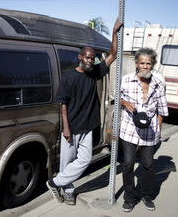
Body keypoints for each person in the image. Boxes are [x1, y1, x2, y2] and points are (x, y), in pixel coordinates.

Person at [46, 18, 123, 205]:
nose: (90, 60)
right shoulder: (69, 77)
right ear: (80, 57)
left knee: (84, 160)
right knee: (67, 162)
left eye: (92, 58)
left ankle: (54, 183)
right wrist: (66, 127)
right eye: (87, 57)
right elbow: (62, 103)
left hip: (87, 126)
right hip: (71, 127)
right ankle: (69, 190)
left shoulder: (94, 72)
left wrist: (114, 32)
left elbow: (113, 54)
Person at [119, 47, 168, 212]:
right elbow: (116, 97)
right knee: (128, 164)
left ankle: (146, 196)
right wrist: (125, 103)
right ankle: (129, 198)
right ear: (136, 64)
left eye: (148, 63)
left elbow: (162, 109)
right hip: (129, 129)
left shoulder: (158, 83)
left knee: (148, 165)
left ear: (152, 64)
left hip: (150, 132)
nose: (145, 66)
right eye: (142, 63)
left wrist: (158, 129)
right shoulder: (126, 80)